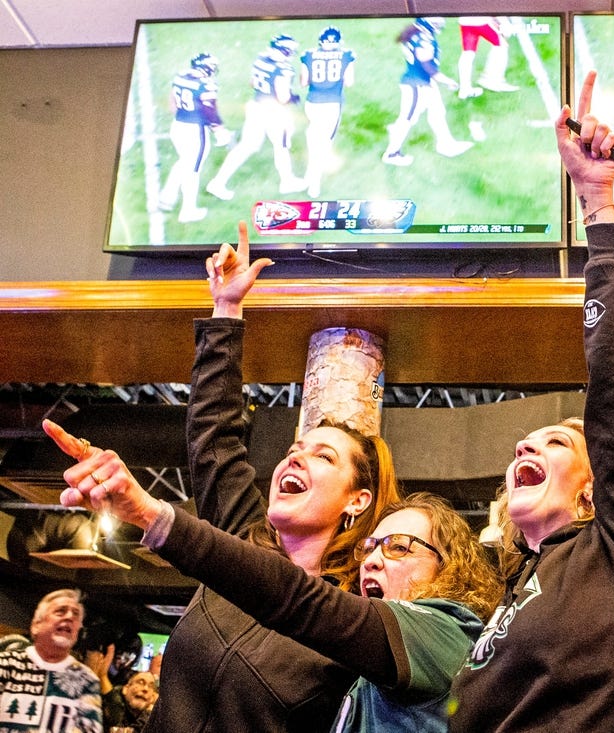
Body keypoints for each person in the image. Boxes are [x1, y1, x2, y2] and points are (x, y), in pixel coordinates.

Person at [46, 218, 401, 732]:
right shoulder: (241, 540)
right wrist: (226, 309)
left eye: (323, 456)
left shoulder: (351, 617)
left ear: (357, 500)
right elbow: (214, 439)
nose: (293, 459)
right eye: (294, 449)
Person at [447, 70, 614, 732]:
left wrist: (598, 207)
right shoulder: (524, 588)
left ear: (599, 490)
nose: (523, 445)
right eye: (529, 441)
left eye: (557, 442)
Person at [47, 421, 503, 733]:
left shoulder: (433, 630)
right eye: (291, 451)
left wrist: (151, 515)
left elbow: (299, 601)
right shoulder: (245, 552)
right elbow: (216, 448)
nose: (373, 560)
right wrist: (225, 311)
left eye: (399, 547)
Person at [206, 34, 307, 200]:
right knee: (281, 145)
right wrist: (293, 97)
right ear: (286, 51)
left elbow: (252, 83)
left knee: (246, 146)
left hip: (256, 107)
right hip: (273, 111)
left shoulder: (261, 58)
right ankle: (287, 181)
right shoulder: (284, 69)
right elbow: (282, 97)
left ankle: (218, 182)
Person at [0, 589, 103, 732]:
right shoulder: (6, 665)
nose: (69, 617)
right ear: (36, 625)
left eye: (75, 614)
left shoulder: (87, 680)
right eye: (60, 611)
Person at [381, 17, 473, 166]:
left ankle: (446, 144)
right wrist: (447, 81)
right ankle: (391, 153)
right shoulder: (424, 39)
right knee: (408, 119)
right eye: (436, 22)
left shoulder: (415, 32)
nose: (440, 24)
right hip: (417, 85)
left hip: (422, 82)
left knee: (437, 112)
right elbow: (427, 67)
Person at [158, 52, 233, 223]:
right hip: (195, 130)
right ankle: (188, 211)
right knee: (193, 170)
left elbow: (172, 101)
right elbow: (210, 112)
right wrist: (219, 130)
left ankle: (167, 197)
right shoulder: (206, 85)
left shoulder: (180, 77)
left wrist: (182, 115)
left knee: (184, 162)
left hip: (177, 126)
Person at [299, 26, 357, 198]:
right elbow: (350, 82)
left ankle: (309, 175)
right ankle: (314, 184)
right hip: (332, 104)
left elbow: (303, 82)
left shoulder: (308, 54)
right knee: (324, 144)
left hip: (312, 102)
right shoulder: (346, 55)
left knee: (313, 137)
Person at [456, 17, 518, 99]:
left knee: (468, 53)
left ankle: (464, 89)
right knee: (501, 45)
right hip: (481, 20)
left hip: (465, 20)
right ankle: (493, 80)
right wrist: (505, 24)